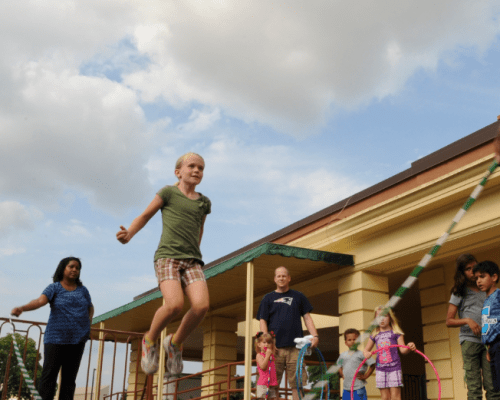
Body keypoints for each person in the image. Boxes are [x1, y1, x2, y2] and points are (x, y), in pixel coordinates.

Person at [116, 152, 211, 375]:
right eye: (192, 166)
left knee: (201, 306)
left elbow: (200, 228)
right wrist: (129, 232)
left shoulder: (204, 202)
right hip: (168, 257)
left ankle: (174, 343)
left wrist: (195, 250)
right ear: (178, 172)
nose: (197, 170)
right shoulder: (168, 192)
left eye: (201, 168)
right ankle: (150, 341)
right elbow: (145, 215)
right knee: (174, 304)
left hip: (192, 260)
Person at [11, 257, 94, 400]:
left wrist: (87, 323)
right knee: (49, 377)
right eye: (71, 266)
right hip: (56, 339)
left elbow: (90, 307)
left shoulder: (83, 290)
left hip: (77, 341)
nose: (75, 270)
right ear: (63, 269)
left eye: (78, 268)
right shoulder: (54, 288)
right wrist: (22, 308)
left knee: (69, 380)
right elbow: (39, 301)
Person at [257, 266, 319, 400]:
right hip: (274, 349)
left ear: (289, 278)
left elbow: (307, 317)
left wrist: (315, 336)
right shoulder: (267, 298)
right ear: (275, 279)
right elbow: (263, 321)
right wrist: (267, 344)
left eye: (284, 276)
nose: (281, 278)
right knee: (271, 386)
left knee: (298, 384)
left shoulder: (298, 296)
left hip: (296, 349)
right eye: (278, 276)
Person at [446, 254, 499, 399]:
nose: (471, 271)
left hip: (488, 342)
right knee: (474, 388)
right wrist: (467, 320)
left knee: (493, 386)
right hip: (469, 341)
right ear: (462, 272)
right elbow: (449, 321)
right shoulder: (459, 291)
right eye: (467, 269)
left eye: (473, 267)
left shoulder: (484, 287)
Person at [363, 306, 416, 400]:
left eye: (385, 316)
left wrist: (409, 347)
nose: (381, 319)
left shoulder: (396, 333)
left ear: (390, 317)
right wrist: (367, 354)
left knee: (395, 397)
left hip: (394, 368)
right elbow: (365, 350)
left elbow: (403, 350)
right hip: (380, 369)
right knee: (385, 397)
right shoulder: (375, 335)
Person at [474, 260, 500, 392]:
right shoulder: (486, 301)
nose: (478, 281)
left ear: (494, 277)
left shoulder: (498, 295)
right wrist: (488, 348)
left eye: (482, 276)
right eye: (476, 278)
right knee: (497, 385)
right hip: (492, 347)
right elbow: (487, 327)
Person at [337, 328, 375, 400]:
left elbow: (372, 364)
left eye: (355, 339)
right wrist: (342, 374)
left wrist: (366, 376)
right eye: (349, 340)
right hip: (346, 388)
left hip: (358, 387)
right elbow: (338, 365)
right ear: (346, 342)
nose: (352, 342)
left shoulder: (362, 354)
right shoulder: (342, 355)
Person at [255, 332, 278, 400]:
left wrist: (269, 355)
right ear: (259, 344)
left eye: (269, 343)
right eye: (264, 342)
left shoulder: (272, 356)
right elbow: (263, 367)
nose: (266, 344)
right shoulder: (259, 355)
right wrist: (267, 355)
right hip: (263, 383)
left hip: (272, 383)